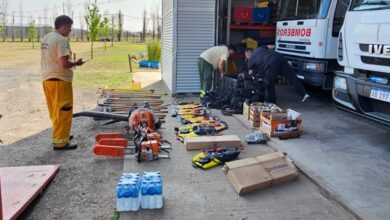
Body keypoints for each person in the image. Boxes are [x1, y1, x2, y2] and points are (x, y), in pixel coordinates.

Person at [41, 15, 85, 150]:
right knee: (63, 111)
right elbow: (64, 63)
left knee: (55, 111)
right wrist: (76, 63)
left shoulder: (46, 38)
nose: (70, 31)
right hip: (60, 81)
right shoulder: (61, 40)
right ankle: (60, 142)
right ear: (64, 27)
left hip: (47, 80)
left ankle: (62, 135)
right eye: (69, 28)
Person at [245, 46, 310, 104]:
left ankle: (272, 103)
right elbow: (272, 46)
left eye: (246, 56)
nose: (246, 58)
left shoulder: (250, 61)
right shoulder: (259, 48)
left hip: (271, 62)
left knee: (269, 83)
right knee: (292, 76)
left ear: (248, 54)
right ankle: (304, 94)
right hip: (279, 56)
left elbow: (250, 75)